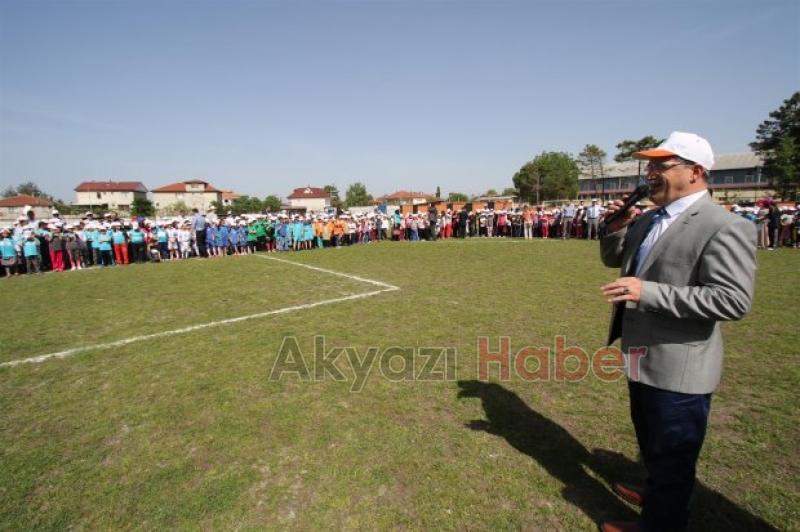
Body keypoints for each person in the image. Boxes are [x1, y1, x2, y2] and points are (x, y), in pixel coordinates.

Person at [598, 132, 757, 532]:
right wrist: (615, 227)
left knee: (673, 457)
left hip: (680, 368)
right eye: (649, 166)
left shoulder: (725, 226)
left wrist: (647, 292)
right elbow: (614, 258)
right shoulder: (649, 218)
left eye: (661, 165)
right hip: (642, 355)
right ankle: (658, 495)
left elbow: (732, 300)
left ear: (695, 172)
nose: (650, 174)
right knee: (653, 444)